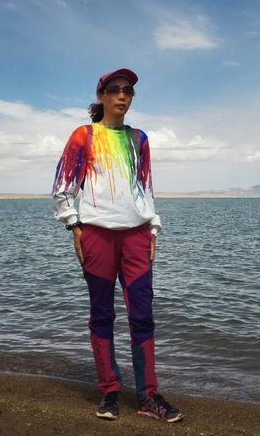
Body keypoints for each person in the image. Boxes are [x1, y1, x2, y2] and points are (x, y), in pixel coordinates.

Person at [51, 68, 183, 423]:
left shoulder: (139, 138)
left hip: (136, 235)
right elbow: (63, 187)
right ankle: (109, 391)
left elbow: (145, 187)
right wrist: (73, 224)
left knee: (142, 316)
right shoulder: (84, 136)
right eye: (114, 89)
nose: (122, 95)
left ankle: (148, 396)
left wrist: (153, 226)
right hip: (97, 235)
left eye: (128, 90)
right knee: (102, 314)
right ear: (102, 96)